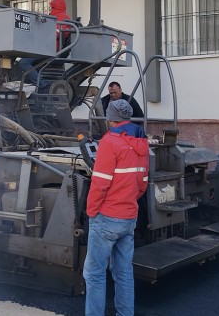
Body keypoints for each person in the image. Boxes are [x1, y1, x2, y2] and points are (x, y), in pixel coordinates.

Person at [84, 99, 149, 316]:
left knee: (94, 274)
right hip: (129, 216)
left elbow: (100, 183)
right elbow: (142, 183)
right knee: (123, 273)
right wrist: (129, 200)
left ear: (110, 118)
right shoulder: (141, 142)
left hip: (107, 217)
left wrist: (92, 211)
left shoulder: (109, 142)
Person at [18, 0, 72, 89]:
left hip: (49, 49)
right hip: (48, 48)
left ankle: (42, 85)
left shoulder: (61, 17)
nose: (50, 10)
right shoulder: (59, 17)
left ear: (56, 7)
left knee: (23, 63)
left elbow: (54, 34)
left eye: (52, 8)